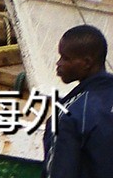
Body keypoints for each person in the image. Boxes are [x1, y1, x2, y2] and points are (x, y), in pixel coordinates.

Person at [47, 24, 113, 178]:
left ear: (87, 63)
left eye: (66, 58)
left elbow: (60, 172)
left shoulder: (69, 115)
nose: (58, 64)